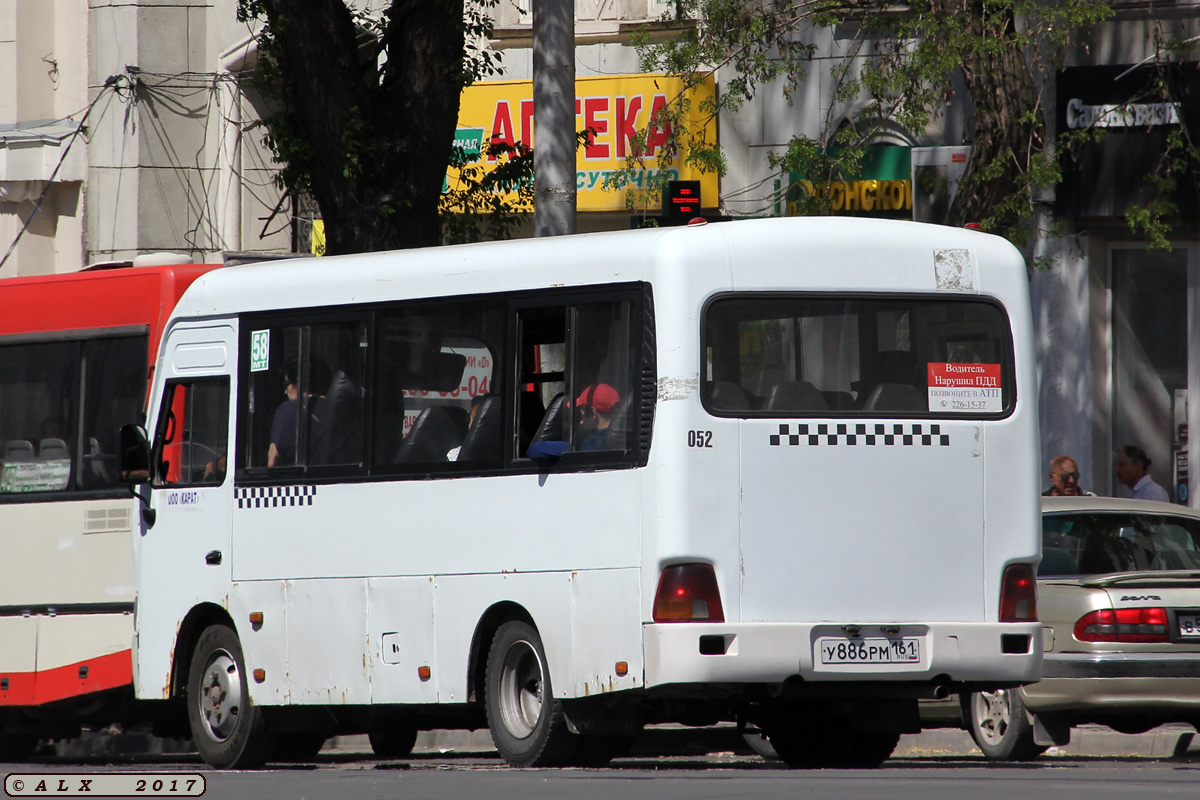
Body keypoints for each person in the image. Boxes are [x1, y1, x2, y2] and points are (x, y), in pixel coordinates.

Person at [268, 361, 328, 467]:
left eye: (286, 385)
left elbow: (273, 459)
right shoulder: (337, 408)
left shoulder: (286, 410)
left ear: (297, 385)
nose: (285, 391)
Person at [575, 383, 620, 452]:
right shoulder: (621, 436)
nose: (581, 422)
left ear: (593, 413)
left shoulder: (589, 445)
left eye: (582, 416)